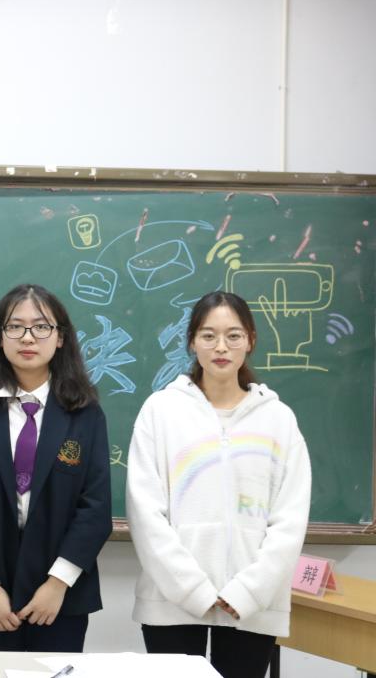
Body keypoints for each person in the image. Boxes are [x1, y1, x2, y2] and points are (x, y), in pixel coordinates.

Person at [126, 290, 311, 678]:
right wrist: (192, 589)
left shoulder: (278, 419)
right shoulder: (161, 411)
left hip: (253, 606)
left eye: (233, 335)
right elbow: (145, 513)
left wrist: (248, 591)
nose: (221, 347)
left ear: (251, 340)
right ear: (192, 341)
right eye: (208, 335)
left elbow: (290, 520)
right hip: (171, 602)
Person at [0, 284, 111, 652]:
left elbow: (96, 505)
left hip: (62, 594)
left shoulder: (85, 412)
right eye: (15, 327)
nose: (27, 337)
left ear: (60, 338)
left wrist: (58, 583)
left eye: (41, 327)